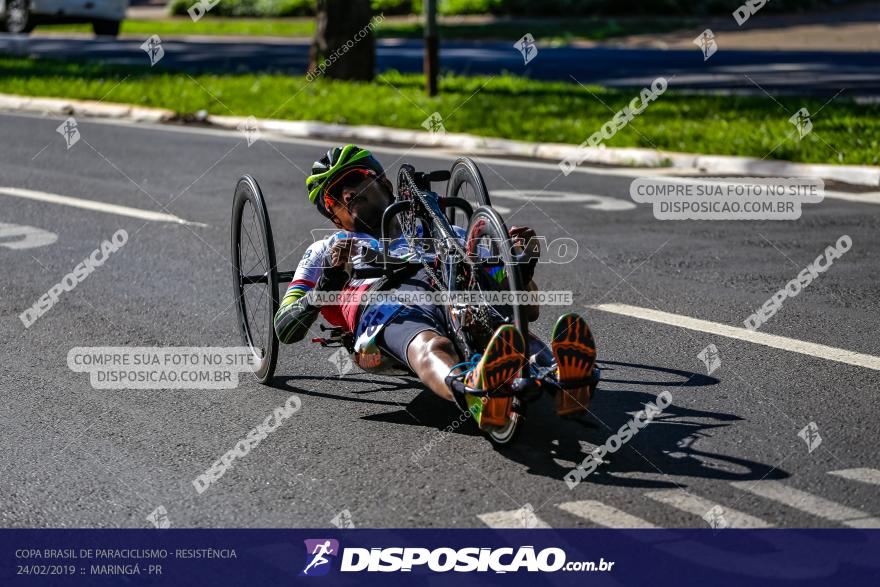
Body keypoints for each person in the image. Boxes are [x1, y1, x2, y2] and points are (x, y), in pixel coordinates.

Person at [273, 144, 596, 430]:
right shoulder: (326, 248)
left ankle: (562, 375)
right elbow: (284, 329)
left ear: (384, 182)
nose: (348, 193)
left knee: (499, 324)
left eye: (356, 179)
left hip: (455, 293)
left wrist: (521, 267)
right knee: (431, 343)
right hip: (384, 304)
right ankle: (473, 391)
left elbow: (529, 310)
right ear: (334, 216)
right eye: (335, 194)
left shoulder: (448, 231)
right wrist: (327, 285)